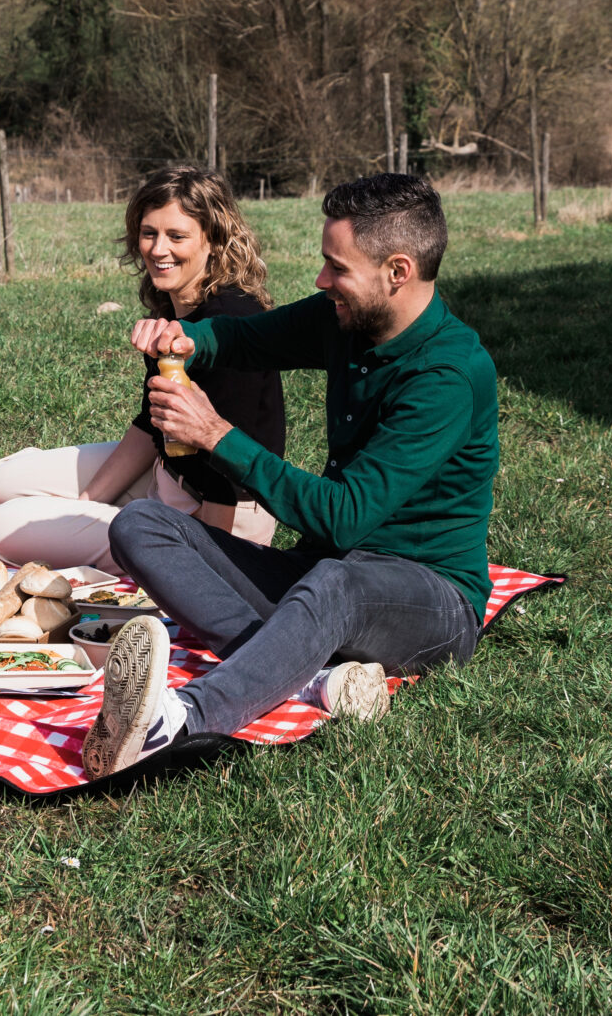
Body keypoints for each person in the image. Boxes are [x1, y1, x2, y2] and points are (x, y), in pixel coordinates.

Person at [81, 173, 499, 778]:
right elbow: (244, 339)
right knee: (142, 523)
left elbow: (345, 516)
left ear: (397, 271)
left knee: (336, 582)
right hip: (328, 572)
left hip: (431, 600)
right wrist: (183, 336)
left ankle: (176, 721)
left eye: (337, 268)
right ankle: (306, 676)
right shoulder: (346, 319)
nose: (321, 281)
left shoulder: (447, 375)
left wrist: (216, 435)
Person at [0, 165, 287, 572]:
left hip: (218, 518)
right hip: (165, 476)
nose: (158, 249)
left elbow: (228, 475)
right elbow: (151, 423)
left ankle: (153, 548)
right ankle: (102, 518)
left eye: (177, 236)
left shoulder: (232, 324)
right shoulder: (173, 309)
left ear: (213, 240)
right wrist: (84, 507)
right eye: (149, 233)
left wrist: (210, 568)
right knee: (1, 480)